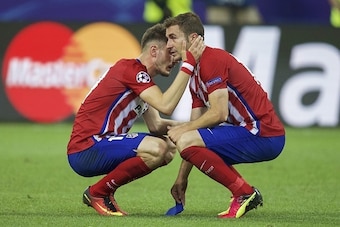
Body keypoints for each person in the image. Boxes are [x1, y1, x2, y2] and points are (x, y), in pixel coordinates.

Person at [66, 23, 204, 216]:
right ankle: (98, 192)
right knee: (158, 149)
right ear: (154, 51)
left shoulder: (141, 79)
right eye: (170, 52)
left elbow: (156, 126)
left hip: (99, 146)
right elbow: (166, 105)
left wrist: (196, 127)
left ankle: (104, 192)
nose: (176, 60)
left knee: (167, 148)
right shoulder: (131, 69)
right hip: (86, 148)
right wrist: (188, 65)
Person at [164, 12, 285, 218]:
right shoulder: (194, 71)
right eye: (167, 39)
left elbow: (219, 113)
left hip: (263, 134)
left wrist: (183, 129)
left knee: (185, 137)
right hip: (249, 132)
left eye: (173, 37)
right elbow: (196, 128)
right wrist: (182, 178)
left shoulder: (213, 60)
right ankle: (243, 192)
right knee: (188, 139)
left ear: (193, 39)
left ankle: (243, 193)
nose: (168, 45)